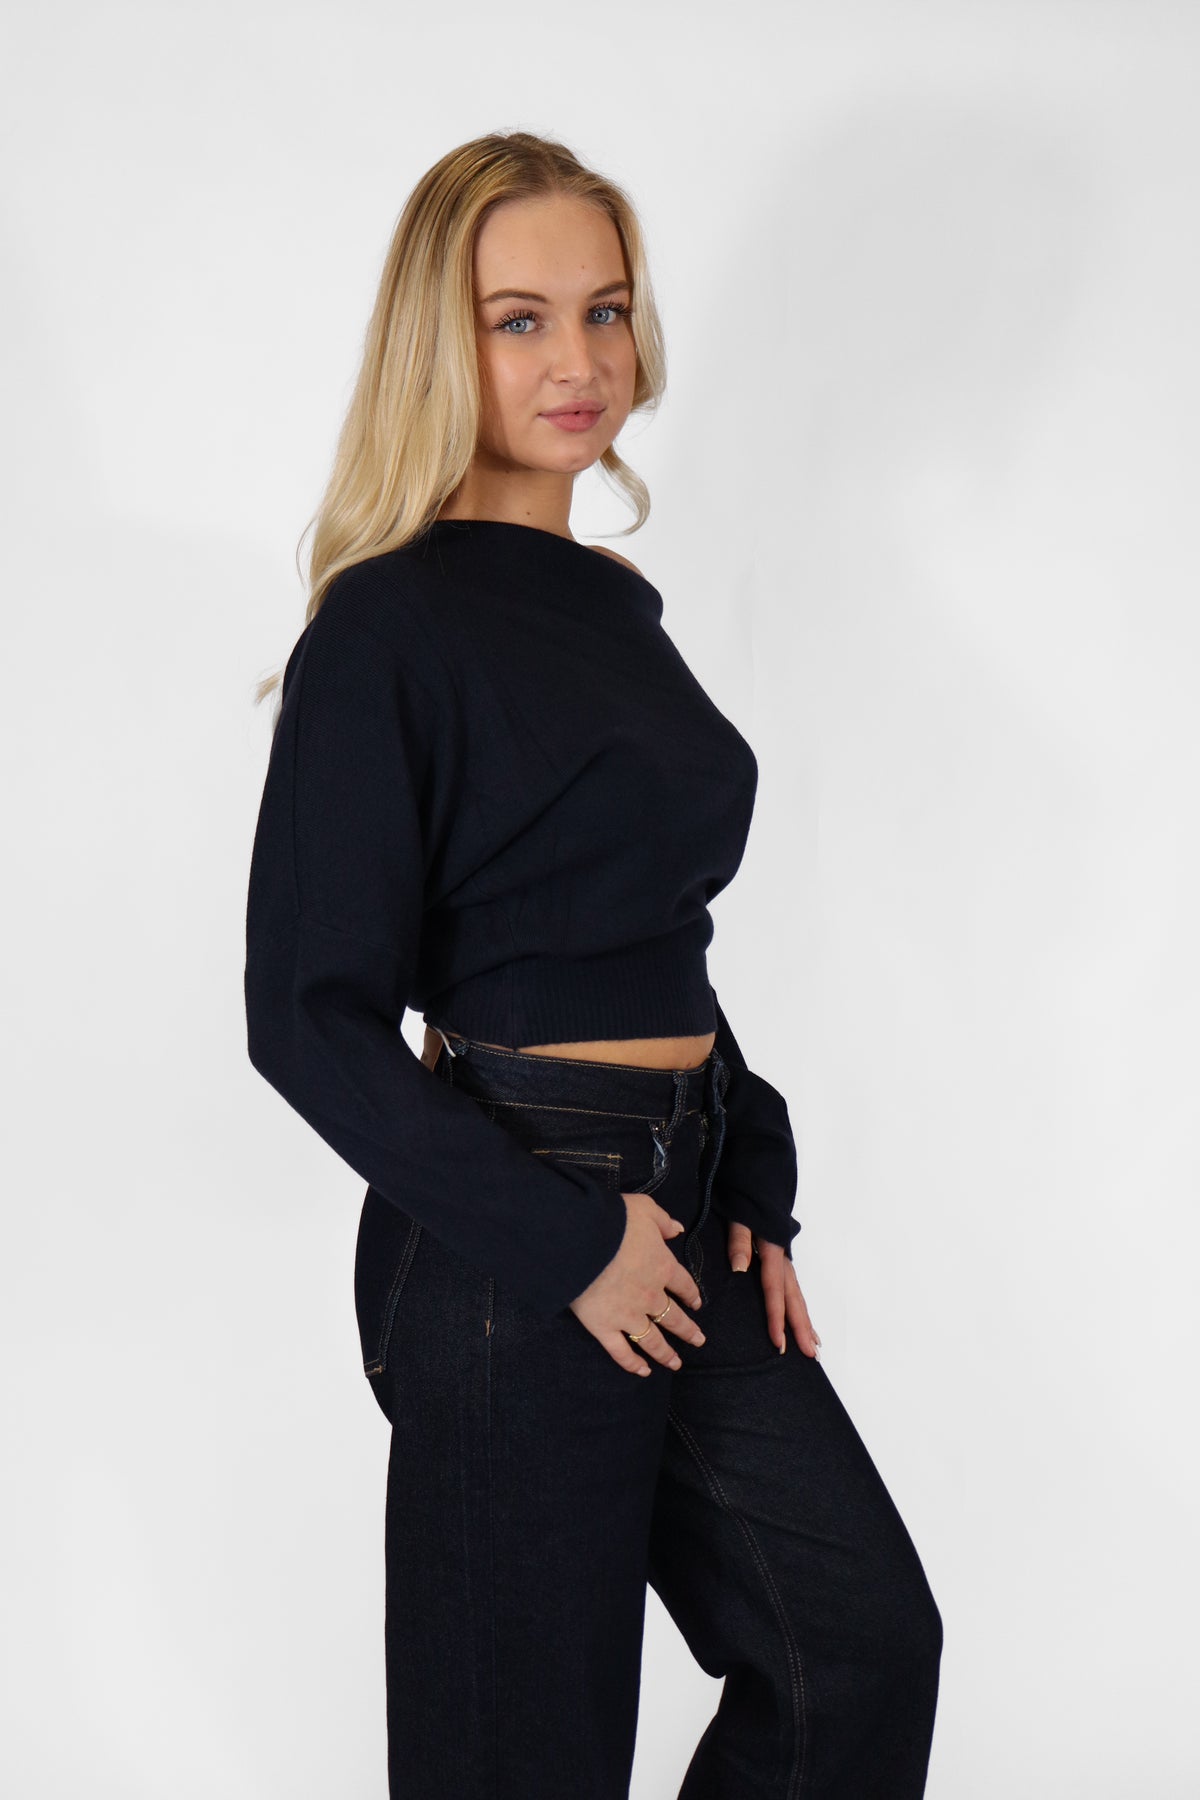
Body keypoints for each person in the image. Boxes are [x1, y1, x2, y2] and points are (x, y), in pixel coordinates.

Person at [243, 129, 942, 1800]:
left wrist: (748, 1159)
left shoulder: (613, 602)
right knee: (528, 1759)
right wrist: (564, 1241)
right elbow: (305, 1019)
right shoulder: (386, 627)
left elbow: (630, 928)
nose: (579, 359)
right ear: (440, 342)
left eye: (604, 310)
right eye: (520, 320)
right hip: (515, 1225)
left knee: (855, 1648)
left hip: (684, 1203)